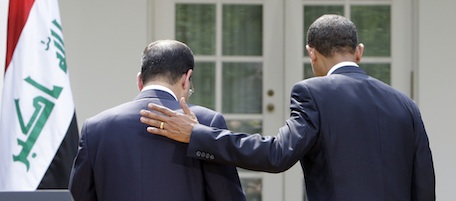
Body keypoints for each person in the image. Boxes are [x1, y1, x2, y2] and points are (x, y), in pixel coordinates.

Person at [139, 15, 435, 201]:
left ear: (312, 54)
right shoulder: (405, 104)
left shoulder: (313, 92)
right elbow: (424, 185)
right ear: (359, 52)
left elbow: (277, 154)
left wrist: (198, 134)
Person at [69, 40, 246, 201]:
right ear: (186, 79)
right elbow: (226, 195)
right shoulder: (206, 122)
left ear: (140, 80)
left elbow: (77, 196)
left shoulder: (94, 128)